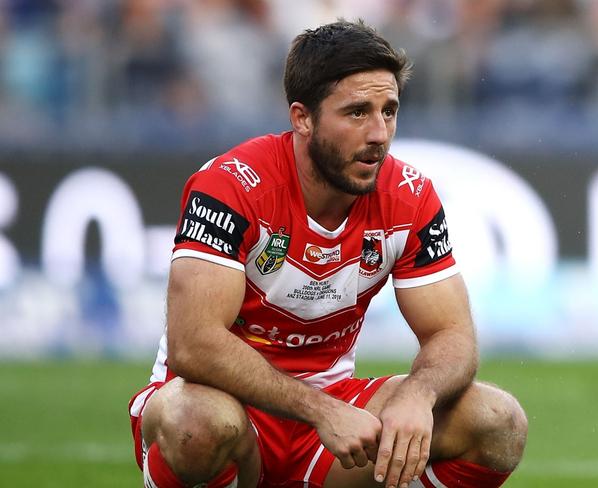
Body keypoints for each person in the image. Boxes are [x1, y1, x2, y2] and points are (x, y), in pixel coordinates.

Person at [128, 20, 527, 488]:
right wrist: (321, 409)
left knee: (498, 422)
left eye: (390, 110)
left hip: (331, 418)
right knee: (197, 426)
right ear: (303, 118)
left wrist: (418, 395)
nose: (379, 133)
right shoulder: (231, 186)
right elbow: (192, 345)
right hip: (218, 402)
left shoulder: (409, 195)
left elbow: (452, 334)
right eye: (357, 113)